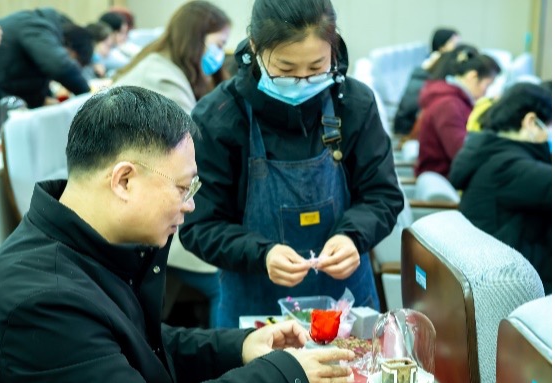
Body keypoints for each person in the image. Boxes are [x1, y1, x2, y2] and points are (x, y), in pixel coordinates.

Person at [0, 86, 356, 383]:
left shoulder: (85, 245)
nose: (190, 205)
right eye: (183, 188)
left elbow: (137, 347)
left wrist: (240, 346)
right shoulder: (41, 301)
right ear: (124, 180)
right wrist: (284, 377)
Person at [179, 0, 404, 328]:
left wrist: (353, 236)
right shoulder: (220, 117)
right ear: (255, 48)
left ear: (333, 49)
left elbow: (383, 195)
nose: (302, 81)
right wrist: (262, 253)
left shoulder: (353, 104)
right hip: (256, 309)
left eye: (316, 68)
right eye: (285, 71)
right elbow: (199, 225)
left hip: (346, 307)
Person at [114, 1, 231, 328]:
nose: (220, 54)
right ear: (196, 38)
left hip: (150, 194)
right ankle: (237, 355)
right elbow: (188, 155)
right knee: (225, 278)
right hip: (149, 206)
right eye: (218, 44)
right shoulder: (163, 81)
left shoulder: (162, 68)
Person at [449, 82, 552, 294]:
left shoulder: (490, 151)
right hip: (512, 287)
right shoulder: (508, 167)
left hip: (501, 273)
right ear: (531, 122)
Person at [0, 8, 91, 148]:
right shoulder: (36, 25)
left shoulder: (40, 27)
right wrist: (89, 98)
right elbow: (59, 66)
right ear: (70, 48)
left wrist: (41, 98)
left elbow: (25, 76)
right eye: (75, 61)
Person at [414, 45, 501, 177]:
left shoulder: (455, 99)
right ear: (472, 76)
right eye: (487, 85)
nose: (486, 92)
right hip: (446, 178)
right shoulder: (449, 105)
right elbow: (461, 154)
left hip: (449, 175)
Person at [393, 27, 460, 137]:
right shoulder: (432, 68)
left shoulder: (436, 66)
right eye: (453, 43)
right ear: (442, 46)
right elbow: (410, 106)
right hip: (412, 127)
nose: (457, 48)